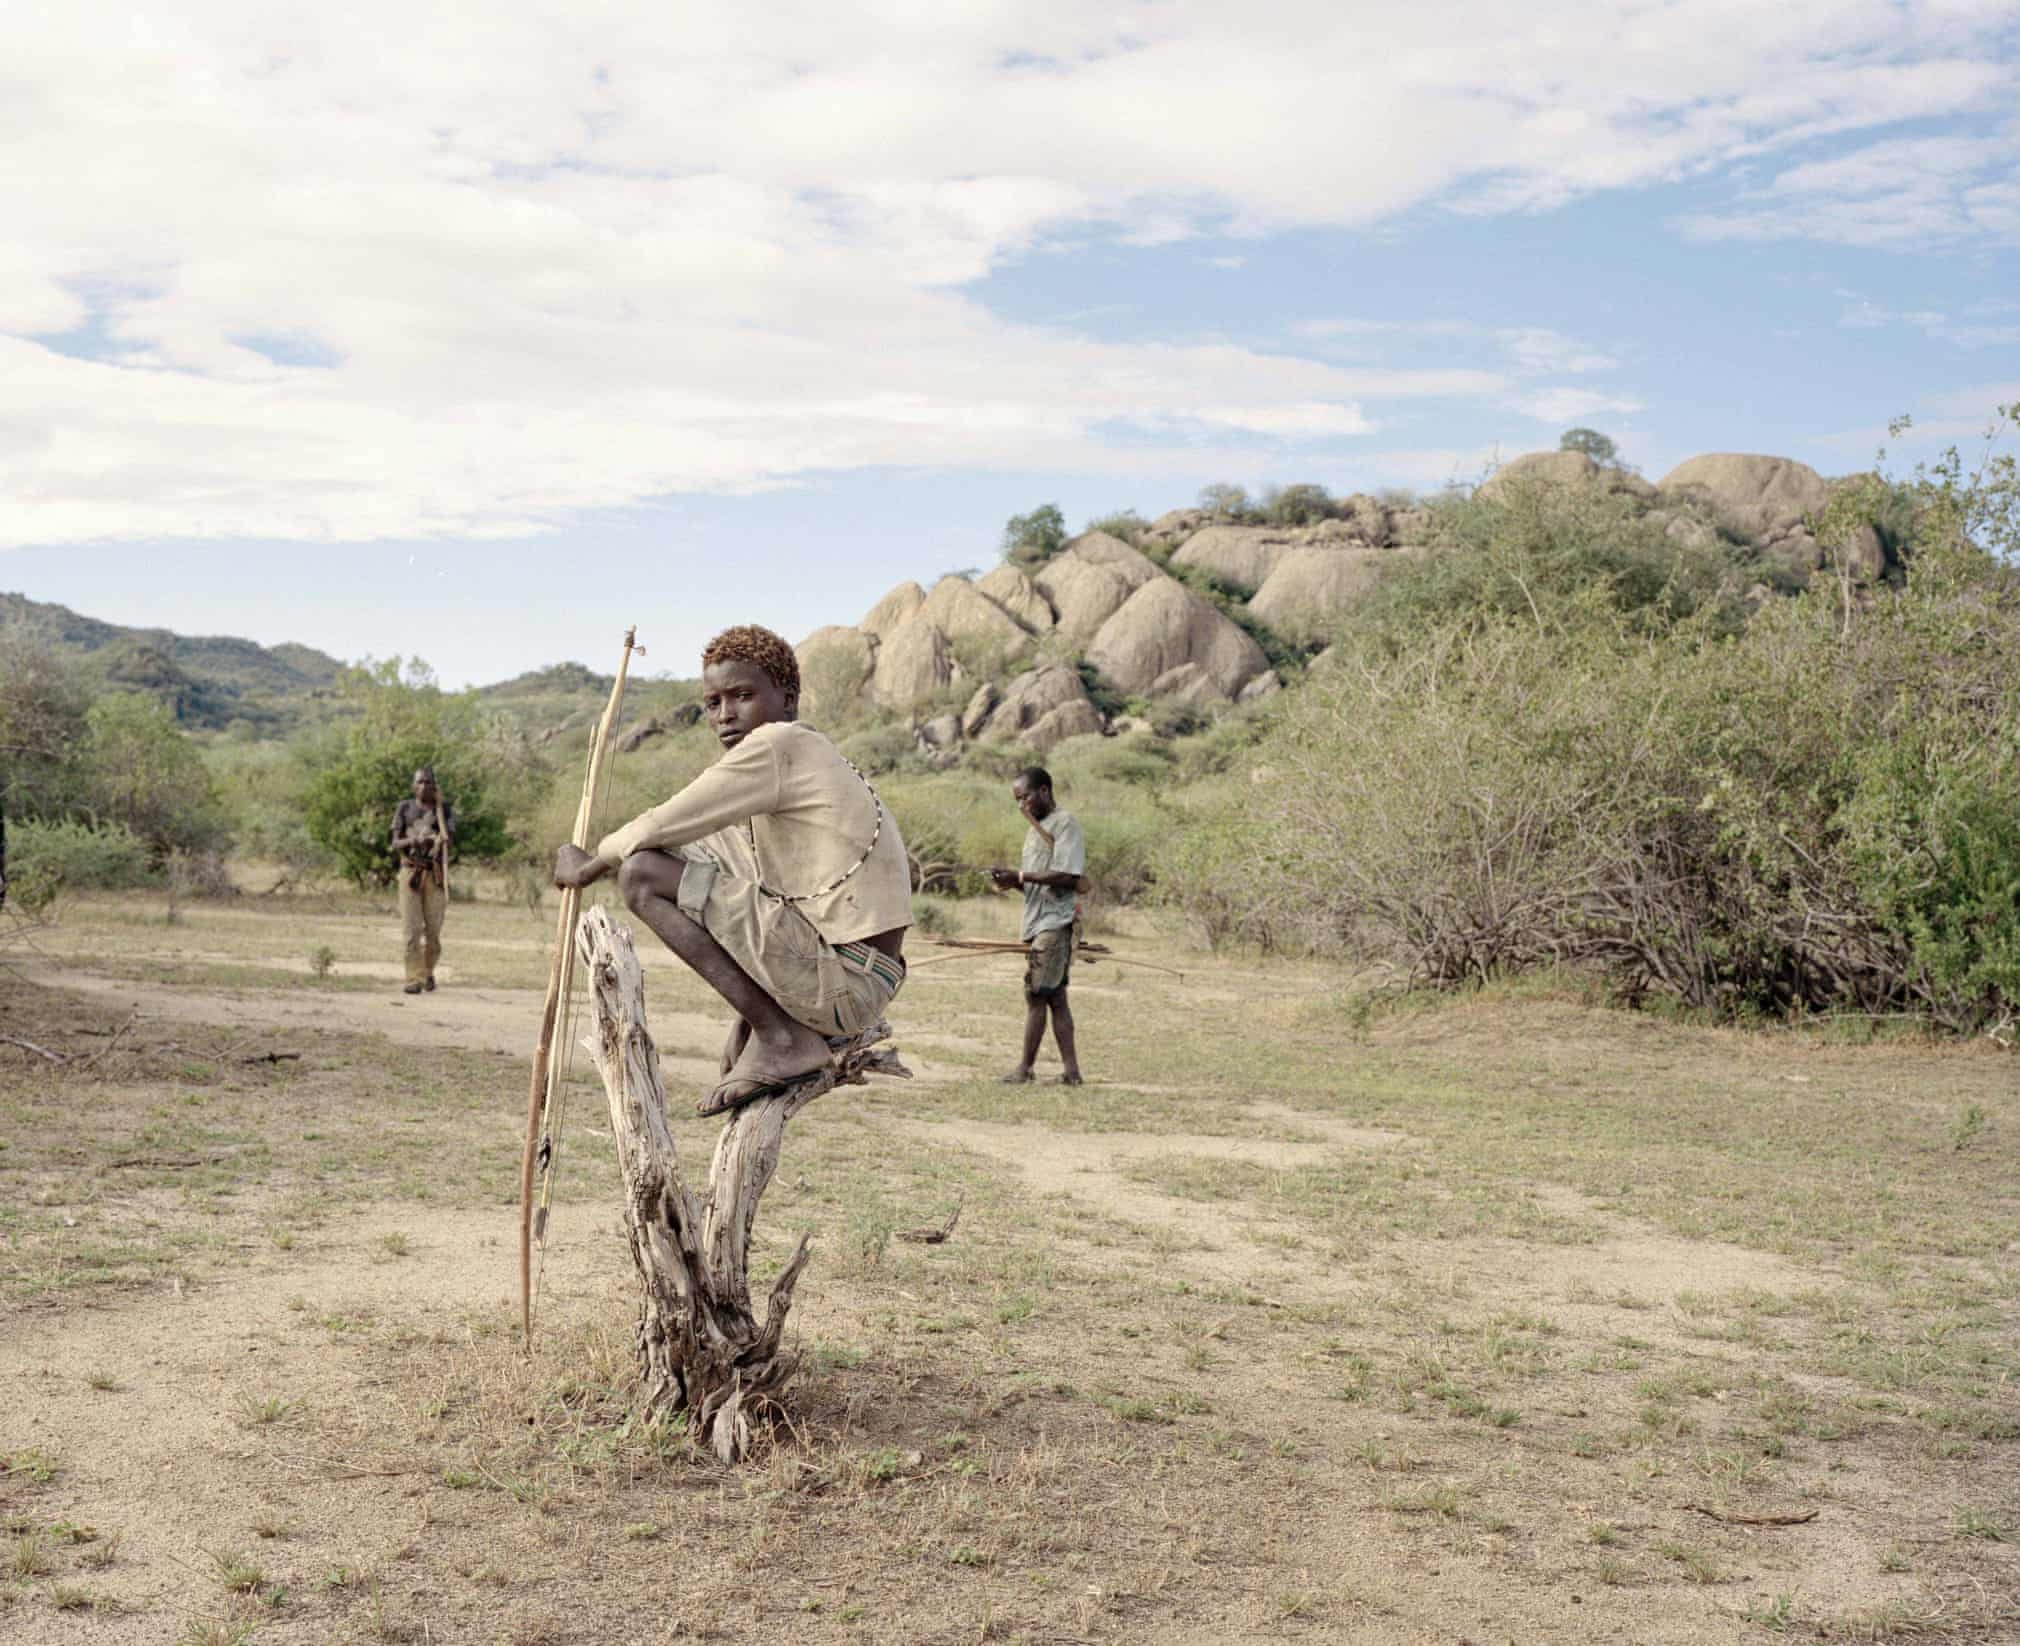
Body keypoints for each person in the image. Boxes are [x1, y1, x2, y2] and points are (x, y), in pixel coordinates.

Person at [552, 624, 912, 1117]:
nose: (725, 715)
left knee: (638, 874)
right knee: (683, 855)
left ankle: (782, 1038)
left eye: (742, 696)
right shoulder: (797, 771)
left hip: (844, 981)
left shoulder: (780, 744)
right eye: (713, 702)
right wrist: (751, 1009)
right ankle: (772, 1024)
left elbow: (663, 820)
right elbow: (704, 854)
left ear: (787, 699)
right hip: (852, 978)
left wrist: (587, 865)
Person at [990, 766, 1085, 1085]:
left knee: (1036, 995)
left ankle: (1024, 1070)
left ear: (1044, 791)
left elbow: (1069, 876)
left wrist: (1020, 876)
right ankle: (1071, 1074)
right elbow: (1038, 883)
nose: (1022, 806)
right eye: (1017, 800)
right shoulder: (1034, 831)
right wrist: (1012, 882)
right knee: (1056, 997)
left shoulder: (1065, 823)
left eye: (1026, 797)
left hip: (1055, 924)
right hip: (1037, 922)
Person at [389, 767, 455, 995]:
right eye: (420, 782)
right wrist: (415, 840)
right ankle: (413, 978)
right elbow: (395, 842)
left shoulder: (443, 810)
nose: (424, 786)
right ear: (413, 786)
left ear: (435, 786)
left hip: (435, 874)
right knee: (411, 929)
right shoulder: (405, 808)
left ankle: (427, 972)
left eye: (428, 782)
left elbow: (449, 840)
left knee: (434, 931)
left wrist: (438, 830)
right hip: (410, 873)